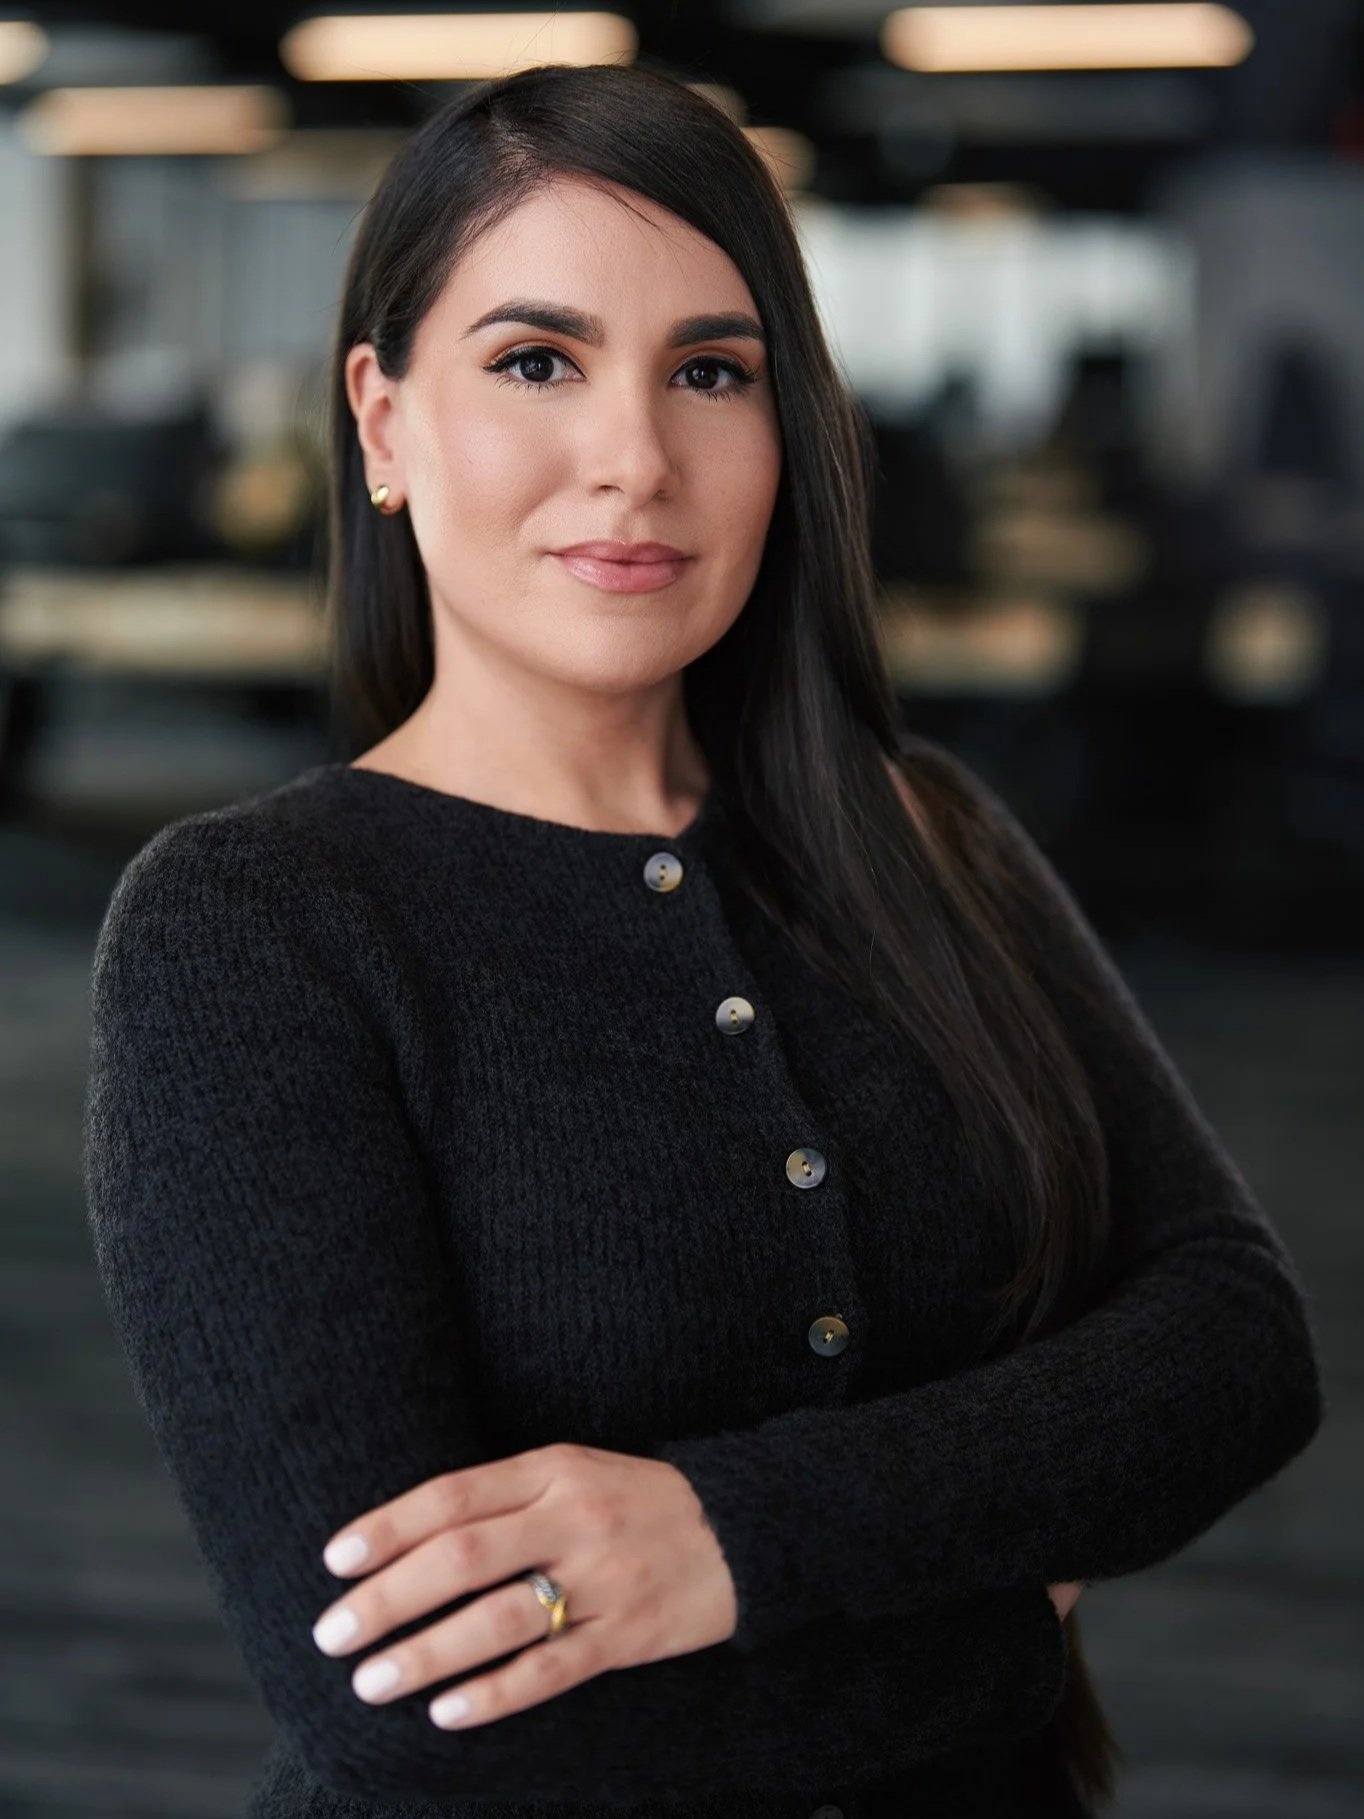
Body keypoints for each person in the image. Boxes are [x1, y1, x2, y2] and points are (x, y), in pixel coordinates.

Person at [82, 61, 1324, 1819]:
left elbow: (1235, 1348)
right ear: (382, 422)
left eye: (712, 372)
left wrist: (724, 1534)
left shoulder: (925, 834)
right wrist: (1002, 1635)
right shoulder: (256, 928)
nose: (636, 463)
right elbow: (400, 1704)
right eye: (536, 361)